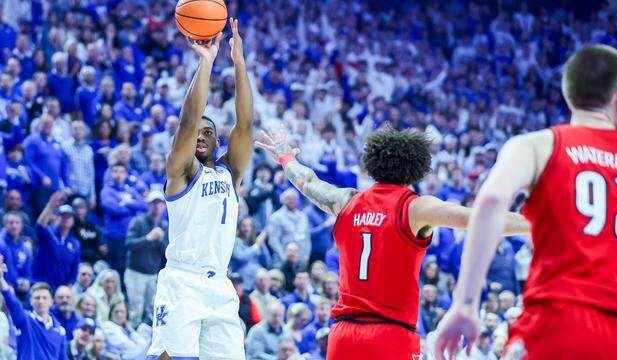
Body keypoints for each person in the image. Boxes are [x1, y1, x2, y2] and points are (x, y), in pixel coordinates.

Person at [434, 45, 617, 359]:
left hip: (556, 322)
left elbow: (490, 200)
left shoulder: (538, 144)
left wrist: (464, 304)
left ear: (570, 95)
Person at [256, 126, 530, 359]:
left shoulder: (346, 200)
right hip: (391, 335)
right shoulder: (416, 208)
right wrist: (535, 223)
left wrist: (286, 156)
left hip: (344, 336)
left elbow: (307, 181)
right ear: (416, 168)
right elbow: (479, 218)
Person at [147, 18, 254, 360]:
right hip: (182, 280)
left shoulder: (229, 171)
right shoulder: (179, 172)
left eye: (209, 133)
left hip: (220, 285)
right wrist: (206, 64)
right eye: (198, 133)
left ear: (218, 142)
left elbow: (246, 123)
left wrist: (239, 63)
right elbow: (189, 121)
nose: (201, 135)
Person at [0, 255, 67, 360]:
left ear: (52, 302)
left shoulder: (60, 330)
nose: (40, 301)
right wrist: (1, 280)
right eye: (37, 298)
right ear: (31, 301)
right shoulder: (25, 320)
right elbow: (13, 304)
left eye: (44, 298)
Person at [124, 190, 168, 327]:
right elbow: (128, 244)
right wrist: (148, 238)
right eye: (154, 203)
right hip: (135, 272)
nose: (157, 206)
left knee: (151, 311)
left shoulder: (165, 226)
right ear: (148, 205)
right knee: (135, 311)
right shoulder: (138, 222)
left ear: (164, 206)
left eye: (160, 203)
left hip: (152, 275)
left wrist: (161, 242)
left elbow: (167, 254)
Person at [32, 192, 81, 289]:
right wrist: (50, 206)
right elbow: (39, 226)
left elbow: (74, 270)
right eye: (63, 216)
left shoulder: (75, 243)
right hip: (41, 284)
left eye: (69, 217)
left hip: (61, 288)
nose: (66, 219)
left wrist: (68, 287)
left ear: (73, 221)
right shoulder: (49, 233)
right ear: (56, 217)